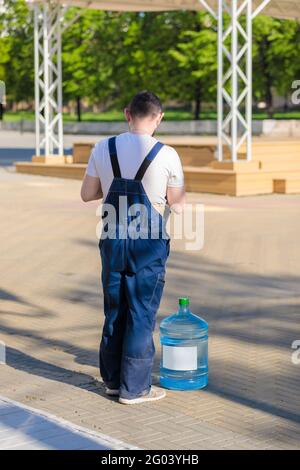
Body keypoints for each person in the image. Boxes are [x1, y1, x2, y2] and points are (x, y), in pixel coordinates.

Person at [81, 91, 185, 404]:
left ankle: (112, 381)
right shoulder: (167, 154)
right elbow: (178, 206)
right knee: (141, 313)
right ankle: (135, 389)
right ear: (159, 117)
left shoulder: (103, 147)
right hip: (148, 247)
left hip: (113, 240)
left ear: (128, 114)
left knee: (114, 310)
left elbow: (87, 194)